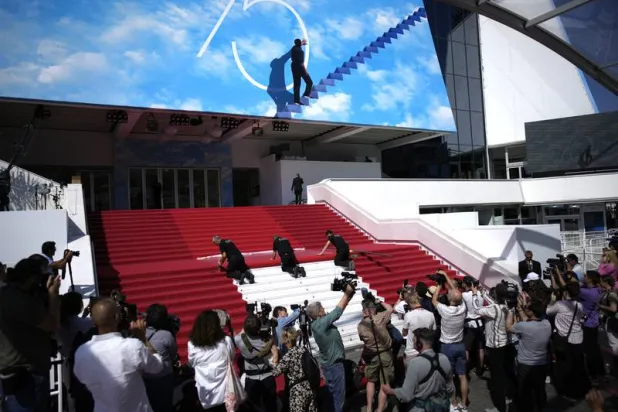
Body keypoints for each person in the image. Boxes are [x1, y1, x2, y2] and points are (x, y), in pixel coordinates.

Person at [74, 298, 164, 412]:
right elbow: (157, 366)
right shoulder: (132, 346)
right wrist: (143, 338)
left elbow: (82, 380)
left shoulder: (81, 353)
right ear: (117, 317)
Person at [0, 258, 60, 412]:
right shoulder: (17, 299)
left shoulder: (9, 295)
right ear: (32, 278)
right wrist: (53, 295)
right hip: (27, 376)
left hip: (15, 372)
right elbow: (52, 325)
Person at [306, 282, 356, 412]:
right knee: (339, 397)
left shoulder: (317, 324)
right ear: (318, 313)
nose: (324, 309)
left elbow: (338, 311)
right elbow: (337, 313)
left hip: (328, 364)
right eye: (322, 308)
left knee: (333, 395)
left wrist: (349, 297)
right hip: (334, 365)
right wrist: (346, 293)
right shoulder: (321, 323)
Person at [381, 328, 454, 411]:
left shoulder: (415, 363)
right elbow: (450, 389)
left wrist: (390, 391)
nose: (413, 343)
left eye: (414, 341)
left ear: (419, 344)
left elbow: (406, 395)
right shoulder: (444, 359)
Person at [472, 282, 515, 412]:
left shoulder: (494, 309)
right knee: (509, 373)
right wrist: (482, 292)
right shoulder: (508, 305)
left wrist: (475, 294)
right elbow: (494, 302)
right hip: (507, 344)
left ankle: (500, 407)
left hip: (496, 347)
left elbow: (476, 309)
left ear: (496, 294)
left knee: (497, 377)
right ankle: (511, 397)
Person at [507, 295, 552, 412]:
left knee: (525, 393)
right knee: (540, 391)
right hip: (541, 365)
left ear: (531, 312)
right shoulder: (547, 324)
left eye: (527, 308)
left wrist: (511, 311)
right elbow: (529, 321)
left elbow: (508, 327)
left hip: (525, 366)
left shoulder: (523, 326)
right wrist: (522, 309)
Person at [431, 274, 468, 412]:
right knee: (462, 376)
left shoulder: (445, 310)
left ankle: (454, 403)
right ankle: (464, 405)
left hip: (447, 347)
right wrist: (446, 277)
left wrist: (440, 285)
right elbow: (457, 293)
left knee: (449, 377)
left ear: (450, 298)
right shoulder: (463, 308)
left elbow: (434, 299)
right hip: (460, 345)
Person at [546, 282, 590, 399]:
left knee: (564, 366)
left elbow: (548, 311)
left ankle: (567, 390)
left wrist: (552, 300)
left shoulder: (560, 305)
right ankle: (581, 389)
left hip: (564, 340)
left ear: (566, 292)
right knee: (578, 365)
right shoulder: (579, 305)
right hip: (578, 338)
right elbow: (582, 319)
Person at [188, 310, 235, 412]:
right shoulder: (226, 341)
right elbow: (231, 357)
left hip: (204, 393)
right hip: (224, 393)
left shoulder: (191, 344)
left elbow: (192, 363)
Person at [357, 299, 395, 412]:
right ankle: (379, 410)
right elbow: (390, 309)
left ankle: (369, 408)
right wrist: (380, 302)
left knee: (371, 381)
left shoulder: (361, 326)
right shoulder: (381, 317)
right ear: (374, 309)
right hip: (386, 353)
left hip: (372, 355)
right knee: (385, 383)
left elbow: (362, 339)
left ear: (364, 311)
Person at [234, 314, 278, 412]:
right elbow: (274, 349)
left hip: (251, 378)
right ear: (259, 328)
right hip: (267, 376)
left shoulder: (238, 340)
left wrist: (250, 323)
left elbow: (242, 332)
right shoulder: (267, 340)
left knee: (254, 406)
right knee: (271, 404)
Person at [272, 327, 317, 412]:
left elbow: (275, 372)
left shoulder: (288, 356)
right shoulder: (303, 349)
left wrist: (274, 358)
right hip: (309, 386)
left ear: (285, 341)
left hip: (297, 391)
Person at [143, 304, 178, 412]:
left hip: (145, 376)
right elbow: (173, 353)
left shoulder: (138, 333)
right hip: (164, 376)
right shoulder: (166, 335)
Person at [578, 270, 604, 381]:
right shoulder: (597, 289)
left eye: (585, 276)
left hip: (587, 324)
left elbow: (571, 289)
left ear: (590, 279)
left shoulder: (586, 292)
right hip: (594, 322)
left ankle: (593, 375)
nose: (583, 277)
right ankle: (601, 372)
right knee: (595, 348)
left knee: (589, 351)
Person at [402, 289, 436, 366]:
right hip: (427, 349)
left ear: (410, 303)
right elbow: (433, 331)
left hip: (412, 351)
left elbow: (404, 333)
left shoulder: (408, 315)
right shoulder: (430, 314)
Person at [461, 277, 485, 376]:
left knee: (466, 348)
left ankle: (466, 369)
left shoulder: (464, 295)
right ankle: (480, 368)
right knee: (480, 348)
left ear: (467, 284)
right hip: (480, 323)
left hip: (469, 324)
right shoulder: (481, 293)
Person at [290, 39, 313, 105]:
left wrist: (301, 43)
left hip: (294, 67)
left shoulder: (293, 48)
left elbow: (297, 45)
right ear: (299, 43)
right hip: (300, 68)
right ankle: (306, 94)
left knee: (297, 84)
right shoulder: (301, 52)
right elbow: (301, 63)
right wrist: (305, 71)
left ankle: (296, 101)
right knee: (309, 82)